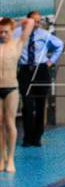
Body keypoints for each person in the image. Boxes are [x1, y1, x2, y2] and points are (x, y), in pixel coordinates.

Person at [14, 10, 64, 146]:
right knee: (27, 106)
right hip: (25, 71)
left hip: (40, 71)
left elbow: (59, 45)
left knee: (41, 106)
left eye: (38, 21)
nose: (37, 24)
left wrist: (51, 61)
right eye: (34, 21)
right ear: (27, 20)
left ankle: (37, 137)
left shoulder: (44, 35)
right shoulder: (17, 33)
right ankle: (27, 137)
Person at [0, 16, 34, 172]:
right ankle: (2, 157)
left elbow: (31, 22)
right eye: (0, 32)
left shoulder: (17, 43)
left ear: (11, 32)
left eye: (5, 32)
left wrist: (14, 22)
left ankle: (11, 158)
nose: (2, 35)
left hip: (11, 89)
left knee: (10, 122)